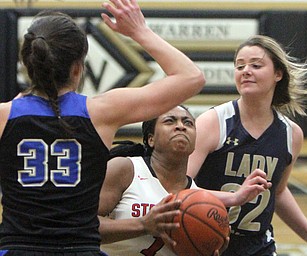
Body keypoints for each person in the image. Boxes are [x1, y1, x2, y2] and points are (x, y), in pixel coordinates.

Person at [0, 0, 206, 254]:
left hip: (18, 248)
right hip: (81, 248)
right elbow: (192, 77)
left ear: (28, 63)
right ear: (78, 69)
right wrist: (139, 31)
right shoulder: (101, 112)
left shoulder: (5, 116)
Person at [187, 34, 307, 255]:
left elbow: (278, 192)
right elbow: (182, 186)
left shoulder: (291, 134)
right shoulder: (214, 122)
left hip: (258, 247)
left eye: (256, 65)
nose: (246, 70)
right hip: (206, 241)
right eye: (240, 66)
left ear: (278, 74)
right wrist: (234, 198)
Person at [98, 105, 272, 256]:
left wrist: (208, 247)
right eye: (170, 121)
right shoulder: (126, 169)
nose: (180, 126)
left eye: (188, 123)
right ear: (151, 139)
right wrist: (142, 225)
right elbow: (81, 225)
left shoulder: (197, 200)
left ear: (195, 141)